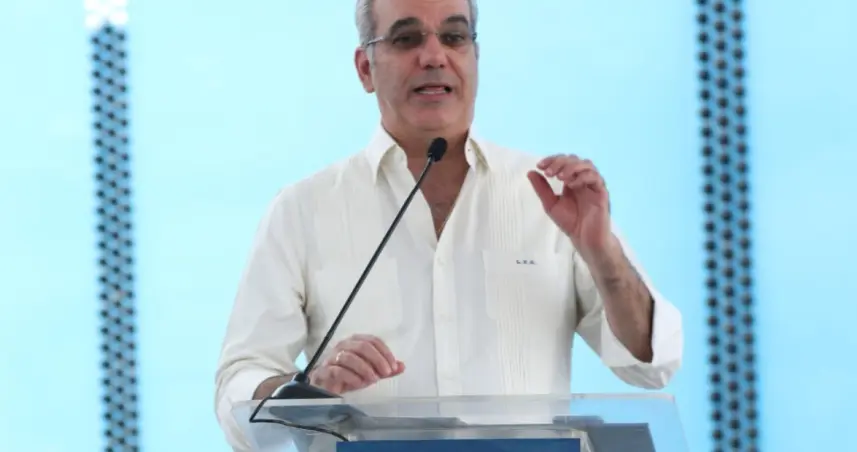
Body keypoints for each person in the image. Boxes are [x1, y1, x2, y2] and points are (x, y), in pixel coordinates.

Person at [214, 0, 683, 449]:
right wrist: (306, 392)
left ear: (474, 57)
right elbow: (240, 381)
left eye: (454, 37)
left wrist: (602, 254)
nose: (434, 56)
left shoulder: (552, 198)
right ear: (364, 69)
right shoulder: (302, 209)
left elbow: (651, 364)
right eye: (407, 39)